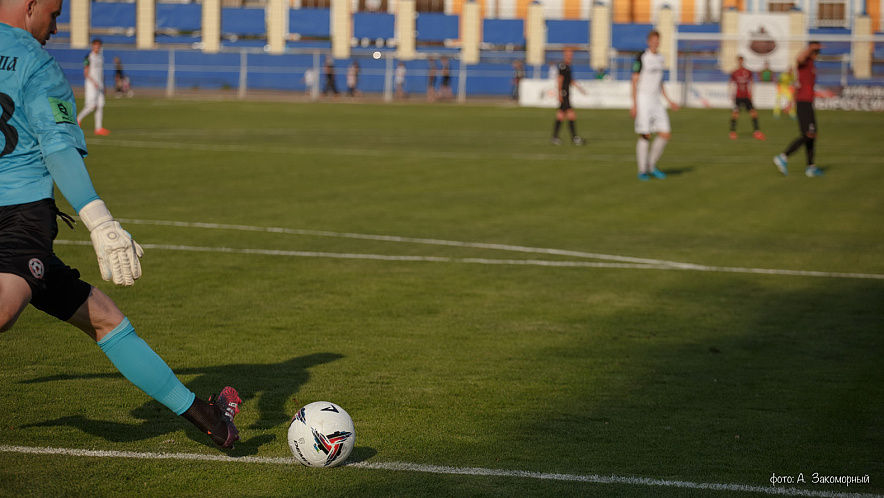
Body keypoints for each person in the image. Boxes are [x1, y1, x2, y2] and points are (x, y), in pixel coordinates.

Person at [0, 0, 242, 449]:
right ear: (30, 5)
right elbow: (56, 148)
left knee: (105, 318)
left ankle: (209, 421)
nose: (56, 26)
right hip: (18, 217)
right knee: (3, 310)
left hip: (20, 222)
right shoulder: (36, 63)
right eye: (53, 13)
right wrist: (99, 219)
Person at [631, 30, 678, 180]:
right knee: (645, 134)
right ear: (648, 41)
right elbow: (634, 81)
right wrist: (634, 104)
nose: (655, 43)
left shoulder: (661, 58)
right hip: (643, 99)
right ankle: (642, 170)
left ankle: (651, 165)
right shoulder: (641, 57)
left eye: (657, 41)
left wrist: (669, 100)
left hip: (656, 101)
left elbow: (660, 82)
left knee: (665, 133)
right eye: (653, 40)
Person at [773, 41, 825, 177]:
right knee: (808, 134)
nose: (817, 54)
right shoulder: (804, 62)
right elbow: (798, 58)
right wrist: (810, 47)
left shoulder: (811, 65)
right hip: (804, 103)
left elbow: (797, 85)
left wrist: (791, 102)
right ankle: (783, 156)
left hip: (807, 103)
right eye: (816, 52)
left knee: (812, 136)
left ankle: (810, 167)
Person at [550, 48, 585, 146]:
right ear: (564, 55)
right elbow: (560, 80)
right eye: (568, 54)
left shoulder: (568, 66)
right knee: (571, 115)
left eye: (571, 54)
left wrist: (579, 88)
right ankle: (574, 138)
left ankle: (555, 137)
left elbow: (570, 80)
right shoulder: (562, 66)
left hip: (566, 93)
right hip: (564, 93)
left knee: (560, 115)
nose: (570, 56)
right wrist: (559, 93)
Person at [75, 38, 109, 135]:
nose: (97, 47)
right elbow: (86, 72)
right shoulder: (89, 57)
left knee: (100, 106)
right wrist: (93, 81)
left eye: (98, 46)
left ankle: (98, 128)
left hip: (100, 85)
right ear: (92, 46)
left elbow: (101, 73)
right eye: (95, 45)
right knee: (91, 106)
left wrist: (104, 85)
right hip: (91, 85)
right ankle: (78, 119)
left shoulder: (100, 58)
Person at [728, 55, 765, 140]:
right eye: (739, 61)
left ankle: (757, 132)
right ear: (737, 61)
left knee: (753, 112)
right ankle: (732, 132)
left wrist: (751, 93)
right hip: (738, 96)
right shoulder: (735, 72)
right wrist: (731, 94)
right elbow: (731, 83)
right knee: (735, 113)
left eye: (741, 61)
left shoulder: (748, 71)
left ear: (743, 61)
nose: (740, 62)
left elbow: (751, 82)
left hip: (746, 96)